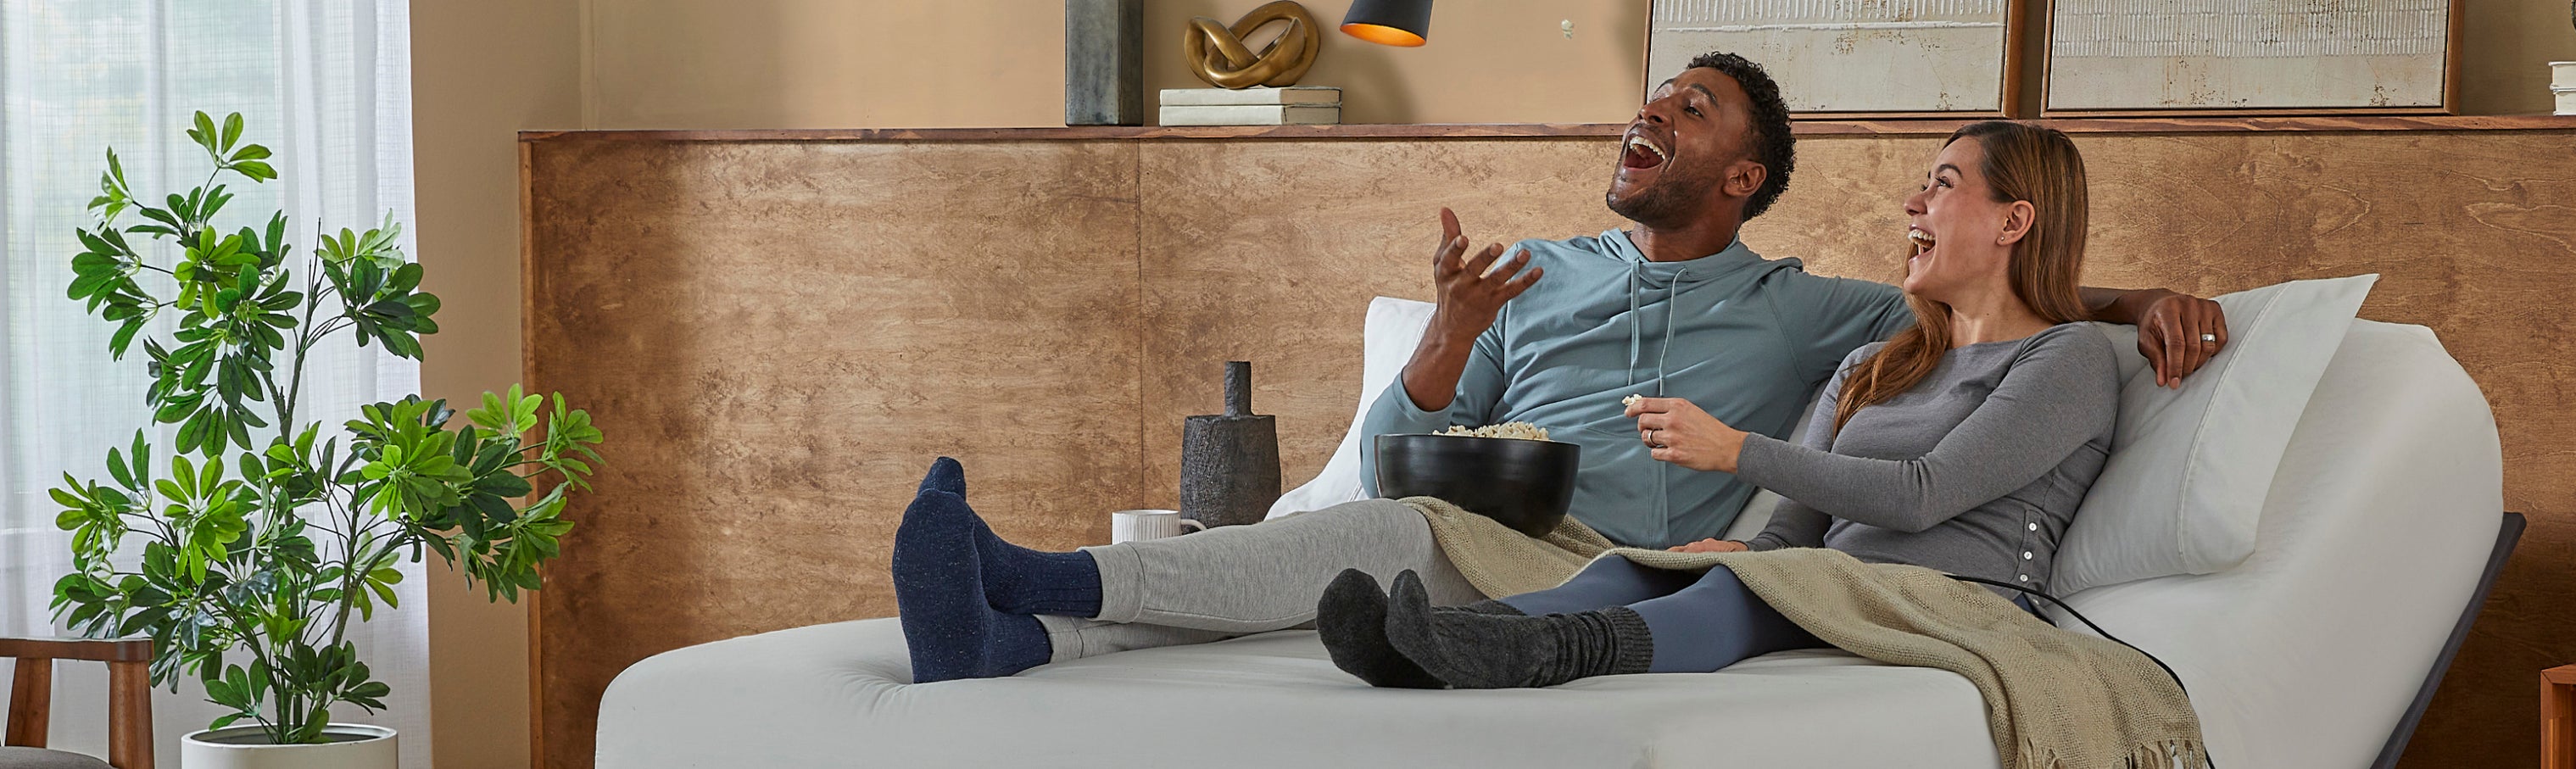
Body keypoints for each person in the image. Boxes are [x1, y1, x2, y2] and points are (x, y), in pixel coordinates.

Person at [887, 53, 2225, 685]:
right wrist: (1446, 344)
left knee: (1398, 549)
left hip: (1644, 553)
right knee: (1370, 525)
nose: (1649, 114)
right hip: (1509, 527)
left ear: (1744, 177)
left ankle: (1026, 604)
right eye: (1650, 100)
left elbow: (1992, 316)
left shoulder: (1816, 309)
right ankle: (1019, 609)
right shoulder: (1537, 276)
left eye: (1689, 109)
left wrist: (2136, 297)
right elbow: (1393, 451)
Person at [1318, 120, 2122, 688]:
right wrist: (1747, 549)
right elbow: (1793, 528)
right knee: (1644, 569)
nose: (1913, 205)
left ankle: (1532, 656)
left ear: (2016, 219)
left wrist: (1737, 450)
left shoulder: (2069, 357)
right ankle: (1429, 643)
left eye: (1941, 186)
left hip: (1957, 602)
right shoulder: (1877, 363)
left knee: (1736, 591)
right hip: (1829, 582)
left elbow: (1923, 494)